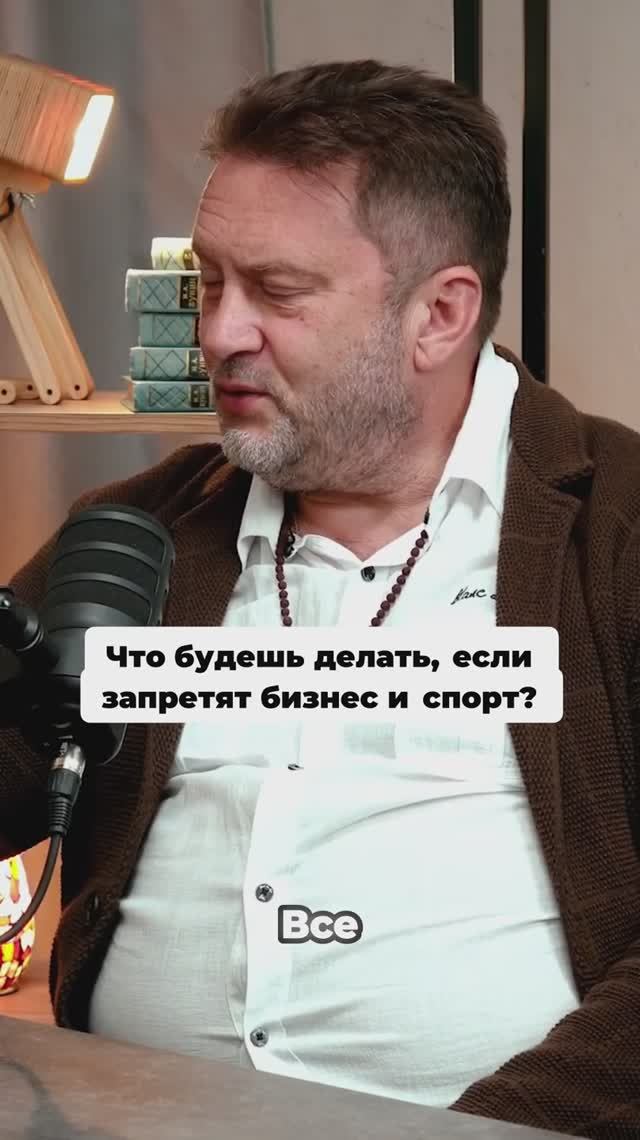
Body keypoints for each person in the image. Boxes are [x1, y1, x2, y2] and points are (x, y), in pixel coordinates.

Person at [1, 59, 639, 1139]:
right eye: (210, 283)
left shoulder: (616, 531)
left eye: (277, 292)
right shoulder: (138, 530)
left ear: (439, 314)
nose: (219, 334)